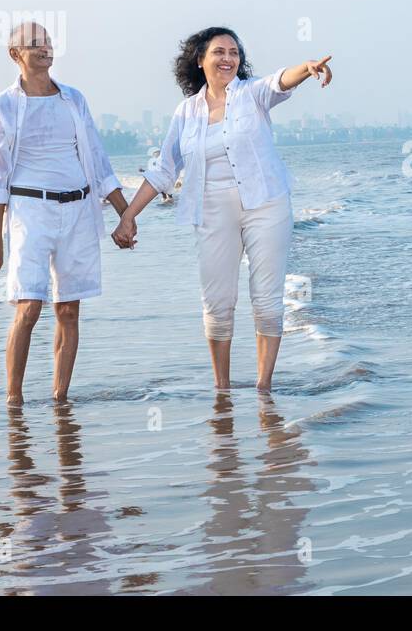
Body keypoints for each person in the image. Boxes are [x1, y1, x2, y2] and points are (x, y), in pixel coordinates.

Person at [112, 26, 332, 391]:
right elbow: (165, 169)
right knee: (216, 303)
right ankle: (222, 390)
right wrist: (129, 215)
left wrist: (306, 68)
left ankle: (264, 389)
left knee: (265, 299)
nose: (228, 58)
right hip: (212, 210)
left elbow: (280, 81)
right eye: (219, 52)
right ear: (200, 60)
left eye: (234, 52)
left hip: (266, 205)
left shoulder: (252, 95)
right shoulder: (185, 113)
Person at [0, 22, 133, 405]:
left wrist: (125, 215)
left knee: (68, 308)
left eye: (47, 42)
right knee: (29, 305)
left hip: (78, 208)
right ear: (15, 54)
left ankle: (59, 398)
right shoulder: (4, 105)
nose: (45, 49)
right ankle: (13, 400)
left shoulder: (74, 99)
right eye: (34, 44)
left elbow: (97, 161)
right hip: (30, 209)